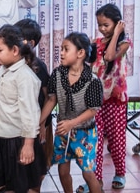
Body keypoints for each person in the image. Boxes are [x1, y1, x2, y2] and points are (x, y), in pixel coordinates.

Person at [40, 32, 104, 193]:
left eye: (66, 49)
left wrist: (71, 123)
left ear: (80, 53)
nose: (61, 53)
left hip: (85, 134)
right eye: (61, 49)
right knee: (62, 170)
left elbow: (92, 110)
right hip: (63, 131)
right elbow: (51, 100)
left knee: (88, 174)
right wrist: (40, 122)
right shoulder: (57, 74)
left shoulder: (92, 80)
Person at [0, 24, 46, 192]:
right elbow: (1, 105)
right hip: (2, 137)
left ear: (14, 50)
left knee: (22, 185)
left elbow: (30, 113)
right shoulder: (3, 70)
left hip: (18, 140)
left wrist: (28, 145)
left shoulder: (24, 76)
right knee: (2, 184)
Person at [86, 4, 131, 192]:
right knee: (94, 141)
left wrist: (117, 33)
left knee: (116, 139)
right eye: (100, 25)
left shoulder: (124, 42)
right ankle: (95, 181)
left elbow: (110, 56)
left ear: (117, 23)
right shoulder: (94, 42)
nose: (102, 29)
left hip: (115, 99)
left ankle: (120, 173)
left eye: (106, 25)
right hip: (95, 99)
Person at [15, 18, 53, 169]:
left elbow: (48, 98)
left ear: (30, 43)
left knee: (39, 164)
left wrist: (42, 123)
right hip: (22, 122)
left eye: (18, 39)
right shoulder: (14, 65)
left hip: (39, 122)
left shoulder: (39, 67)